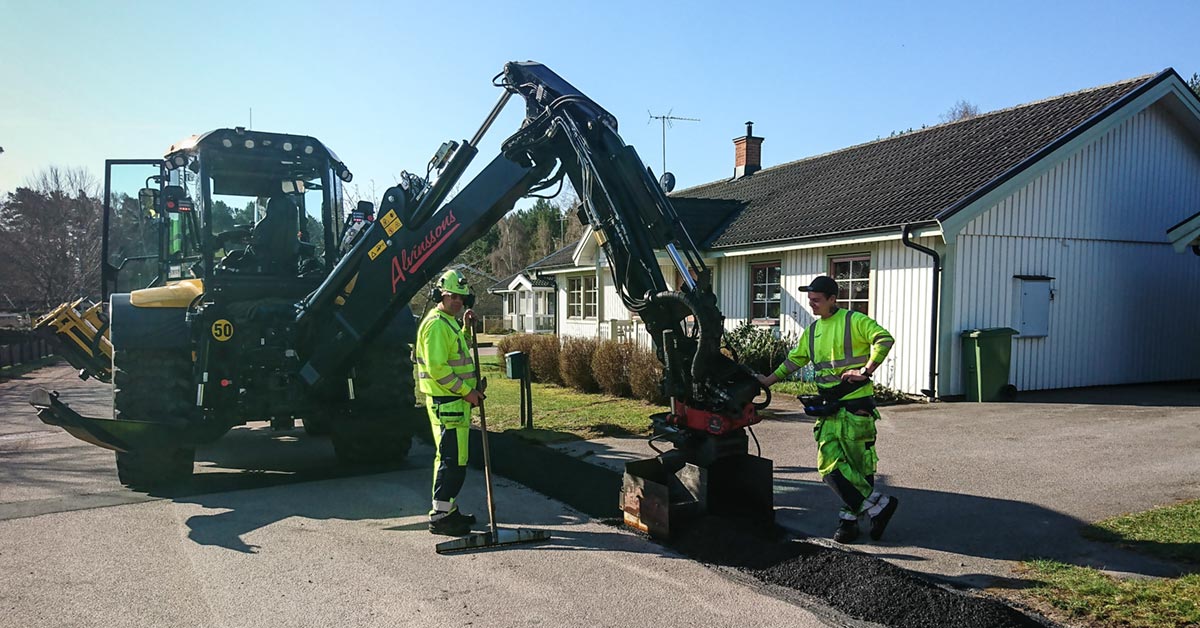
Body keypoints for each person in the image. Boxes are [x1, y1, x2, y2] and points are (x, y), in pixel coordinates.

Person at [757, 275, 899, 544]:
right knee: (830, 467)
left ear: (833, 299)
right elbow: (794, 361)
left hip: (856, 407)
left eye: (817, 300)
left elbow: (884, 339)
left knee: (858, 467)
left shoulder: (854, 321)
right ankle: (878, 506)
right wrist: (767, 381)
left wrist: (866, 370)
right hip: (830, 408)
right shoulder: (813, 331)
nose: (812, 304)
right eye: (810, 300)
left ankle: (849, 521)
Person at [416, 269, 484, 536]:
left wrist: (466, 329)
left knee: (454, 459)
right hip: (448, 404)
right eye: (452, 296)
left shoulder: (448, 322)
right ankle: (440, 517)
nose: (457, 302)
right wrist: (467, 391)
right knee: (452, 461)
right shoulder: (436, 325)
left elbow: (457, 351)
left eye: (461, 298)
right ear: (439, 296)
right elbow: (438, 369)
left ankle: (449, 509)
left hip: (455, 404)